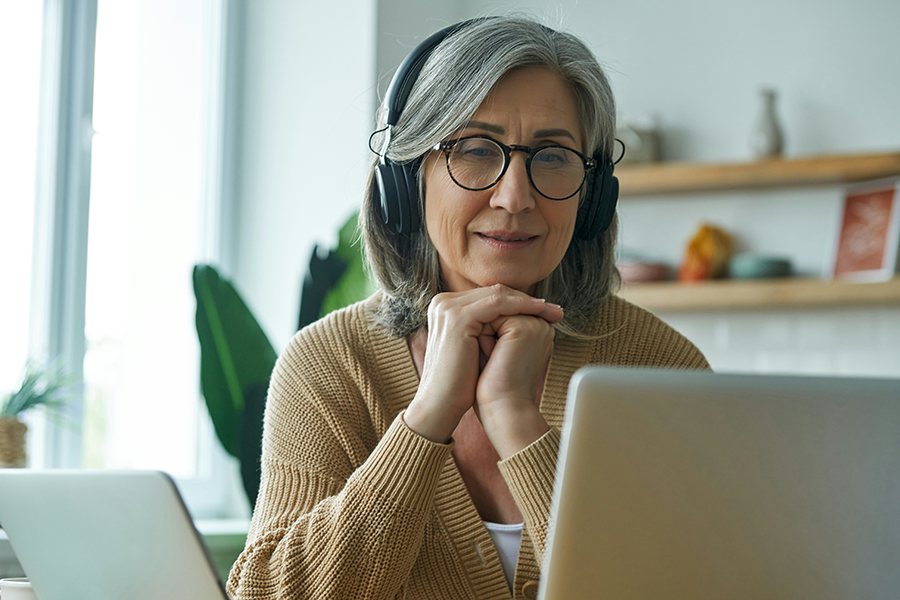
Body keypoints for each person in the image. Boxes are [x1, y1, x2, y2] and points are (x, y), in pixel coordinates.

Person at [227, 16, 708, 600]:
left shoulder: (657, 367)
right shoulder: (329, 364)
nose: (515, 196)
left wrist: (516, 420)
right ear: (407, 180)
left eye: (553, 156)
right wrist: (426, 417)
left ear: (593, 195)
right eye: (476, 150)